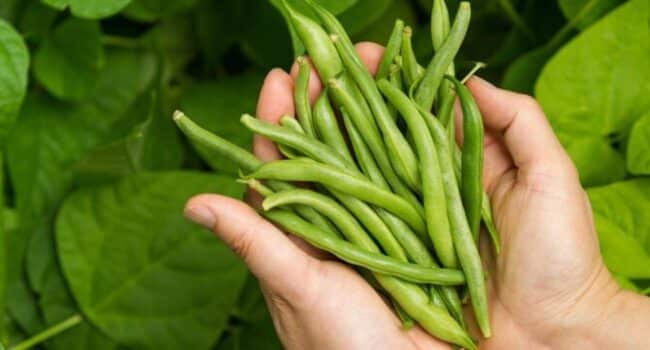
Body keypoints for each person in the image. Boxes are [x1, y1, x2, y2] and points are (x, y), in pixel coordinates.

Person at [183, 43, 650, 349]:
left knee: (396, 157)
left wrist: (582, 312)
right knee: (362, 178)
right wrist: (584, 313)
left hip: (459, 283)